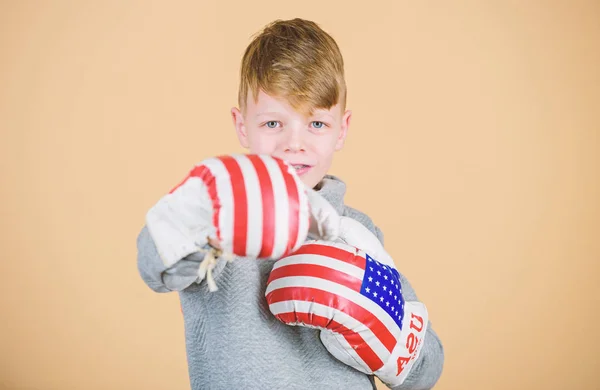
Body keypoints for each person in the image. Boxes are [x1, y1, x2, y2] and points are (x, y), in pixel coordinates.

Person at [137, 18, 444, 389]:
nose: (294, 144)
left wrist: (388, 333)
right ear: (241, 125)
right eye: (272, 124)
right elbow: (153, 264)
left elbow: (426, 371)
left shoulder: (357, 231)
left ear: (341, 130)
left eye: (316, 124)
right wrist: (202, 215)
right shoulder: (220, 217)